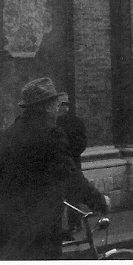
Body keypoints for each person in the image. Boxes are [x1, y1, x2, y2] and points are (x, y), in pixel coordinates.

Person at [0, 77, 107, 260]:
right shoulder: (51, 135)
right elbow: (70, 177)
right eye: (56, 104)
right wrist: (100, 201)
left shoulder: (10, 133)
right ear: (48, 107)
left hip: (0, 229)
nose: (59, 108)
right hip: (34, 234)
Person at [56, 91, 88, 240]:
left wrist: (67, 152)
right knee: (67, 196)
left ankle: (72, 225)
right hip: (67, 163)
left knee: (69, 196)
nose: (62, 108)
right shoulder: (61, 122)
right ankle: (70, 226)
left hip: (68, 163)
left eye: (63, 105)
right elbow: (82, 143)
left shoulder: (69, 122)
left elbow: (82, 143)